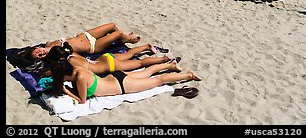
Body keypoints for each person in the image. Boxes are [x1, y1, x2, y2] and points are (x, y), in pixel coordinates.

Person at [48, 45, 201, 104]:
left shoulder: (80, 78)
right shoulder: (79, 71)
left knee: (159, 80)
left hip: (122, 85)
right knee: (146, 71)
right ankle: (170, 64)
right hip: (116, 77)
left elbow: (81, 100)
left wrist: (66, 91)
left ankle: (188, 76)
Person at [7, 22, 141, 75]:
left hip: (85, 35)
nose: (41, 54)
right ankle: (124, 38)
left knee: (112, 25)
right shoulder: (55, 55)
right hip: (92, 46)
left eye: (38, 52)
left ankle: (123, 39)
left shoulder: (48, 45)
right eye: (39, 57)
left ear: (36, 48)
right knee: (116, 33)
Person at [47, 42, 178, 75]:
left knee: (139, 63)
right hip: (105, 58)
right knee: (129, 53)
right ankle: (146, 47)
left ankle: (164, 59)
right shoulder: (72, 54)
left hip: (108, 66)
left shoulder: (70, 62)